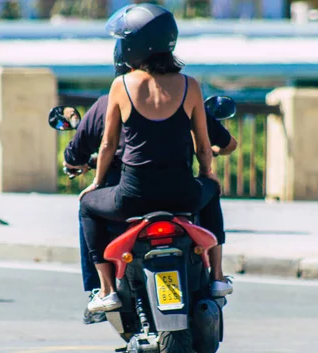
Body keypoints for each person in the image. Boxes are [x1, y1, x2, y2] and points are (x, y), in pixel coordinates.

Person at [65, 40, 237, 324]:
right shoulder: (189, 85)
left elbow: (107, 145)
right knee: (211, 189)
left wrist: (96, 182)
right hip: (182, 195)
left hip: (133, 196)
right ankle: (217, 276)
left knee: (86, 205)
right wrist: (208, 174)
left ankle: (105, 289)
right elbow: (205, 147)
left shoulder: (121, 86)